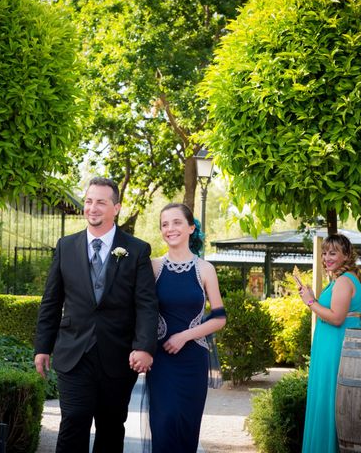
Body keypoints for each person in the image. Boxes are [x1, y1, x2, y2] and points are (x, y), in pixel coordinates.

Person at [34, 177, 158, 453]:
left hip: (117, 354)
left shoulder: (137, 250)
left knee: (111, 427)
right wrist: (42, 347)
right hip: (74, 351)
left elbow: (146, 305)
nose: (93, 207)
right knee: (74, 420)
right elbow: (51, 301)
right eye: (89, 201)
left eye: (101, 202)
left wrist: (144, 347)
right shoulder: (65, 246)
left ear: (116, 208)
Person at [145, 203, 226, 453]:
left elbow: (219, 318)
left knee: (186, 429)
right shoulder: (153, 267)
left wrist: (184, 336)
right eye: (165, 224)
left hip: (193, 363)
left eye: (177, 222)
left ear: (191, 227)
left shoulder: (205, 269)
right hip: (161, 362)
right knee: (164, 422)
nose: (170, 228)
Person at [299, 233, 361, 453]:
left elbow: (336, 318)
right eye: (325, 253)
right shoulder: (339, 280)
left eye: (333, 253)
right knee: (323, 397)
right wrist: (312, 298)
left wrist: (309, 301)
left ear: (346, 255)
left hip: (335, 347)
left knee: (329, 400)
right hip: (328, 346)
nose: (326, 257)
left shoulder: (345, 281)